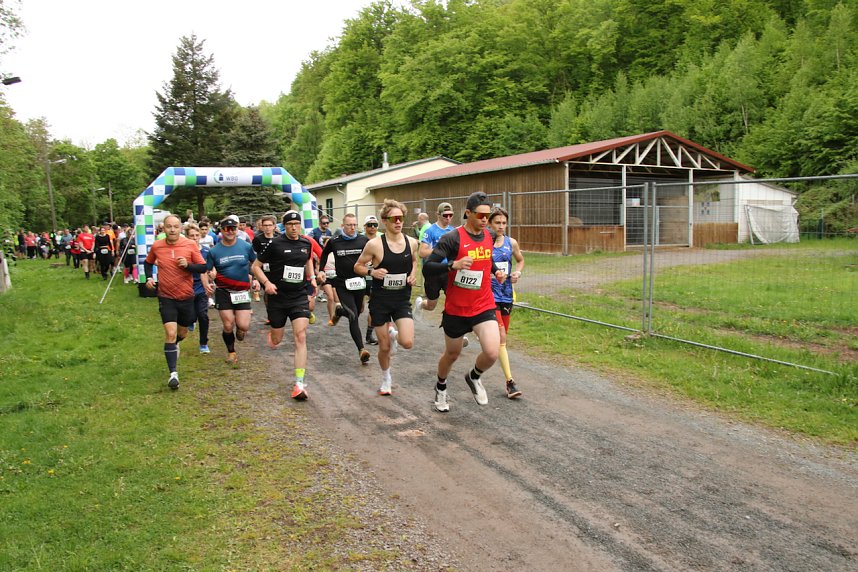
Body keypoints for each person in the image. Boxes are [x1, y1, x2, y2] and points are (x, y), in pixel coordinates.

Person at [422, 191, 508, 413]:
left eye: (487, 217)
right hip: (456, 309)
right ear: (468, 213)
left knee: (491, 351)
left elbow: (487, 258)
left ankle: (473, 376)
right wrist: (453, 265)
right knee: (452, 354)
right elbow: (428, 266)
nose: (484, 221)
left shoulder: (488, 236)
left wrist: (497, 271)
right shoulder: (452, 238)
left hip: (483, 304)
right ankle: (441, 386)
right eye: (480, 216)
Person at [353, 199, 418, 396]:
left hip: (401, 299)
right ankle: (386, 378)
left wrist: (413, 274)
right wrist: (372, 273)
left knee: (407, 342)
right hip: (380, 301)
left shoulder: (412, 242)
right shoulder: (374, 245)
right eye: (394, 218)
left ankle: (394, 334)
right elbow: (357, 266)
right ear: (385, 221)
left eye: (401, 218)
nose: (398, 222)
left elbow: (414, 260)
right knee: (384, 347)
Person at [252, 211, 315, 400]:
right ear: (284, 226)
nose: (294, 227)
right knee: (277, 339)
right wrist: (266, 284)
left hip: (298, 296)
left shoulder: (306, 243)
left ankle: (299, 383)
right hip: (278, 297)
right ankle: (273, 332)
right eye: (290, 224)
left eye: (297, 223)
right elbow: (255, 266)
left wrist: (311, 278)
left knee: (300, 336)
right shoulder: (275, 244)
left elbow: (308, 260)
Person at [144, 214, 208, 389]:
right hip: (166, 296)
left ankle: (174, 346)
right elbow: (148, 263)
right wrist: (149, 278)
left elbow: (203, 267)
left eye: (175, 226)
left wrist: (188, 266)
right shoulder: (157, 246)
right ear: (163, 229)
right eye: (169, 226)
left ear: (180, 228)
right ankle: (173, 374)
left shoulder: (189, 245)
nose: (172, 229)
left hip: (186, 296)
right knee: (170, 333)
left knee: (182, 333)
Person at [319, 213, 371, 365]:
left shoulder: (363, 240)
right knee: (354, 315)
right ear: (343, 226)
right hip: (342, 284)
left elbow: (373, 254)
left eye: (355, 224)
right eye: (349, 225)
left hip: (359, 282)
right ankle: (362, 350)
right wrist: (321, 270)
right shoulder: (334, 241)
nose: (352, 227)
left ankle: (340, 311)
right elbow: (324, 254)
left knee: (359, 310)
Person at [205, 217, 257, 366]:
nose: (230, 231)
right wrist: (209, 278)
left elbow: (255, 264)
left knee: (243, 325)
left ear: (237, 230)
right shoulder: (214, 251)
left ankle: (241, 330)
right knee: (228, 325)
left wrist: (255, 279)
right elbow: (207, 269)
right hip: (224, 291)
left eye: (233, 228)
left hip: (241, 291)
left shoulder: (246, 246)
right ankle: (231, 352)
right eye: (226, 229)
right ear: (221, 231)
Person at [489, 207, 525, 399]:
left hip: (506, 295)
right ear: (489, 223)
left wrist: (517, 272)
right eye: (497, 223)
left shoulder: (511, 243)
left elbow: (520, 261)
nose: (501, 226)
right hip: (488, 296)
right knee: (501, 337)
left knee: (501, 341)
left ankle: (485, 343)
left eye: (504, 223)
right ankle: (510, 382)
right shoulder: (485, 244)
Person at [183, 223, 212, 354]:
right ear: (186, 237)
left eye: (196, 235)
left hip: (201, 287)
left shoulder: (206, 251)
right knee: (191, 316)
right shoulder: (183, 251)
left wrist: (213, 273)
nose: (194, 238)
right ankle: (190, 320)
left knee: (203, 315)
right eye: (191, 236)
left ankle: (203, 343)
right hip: (186, 287)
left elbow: (211, 267)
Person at [362, 215, 380, 345]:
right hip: (360, 277)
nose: (372, 227)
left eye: (375, 225)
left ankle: (369, 335)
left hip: (374, 278)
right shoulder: (359, 240)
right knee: (359, 309)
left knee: (374, 307)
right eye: (369, 224)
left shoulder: (382, 239)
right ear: (365, 226)